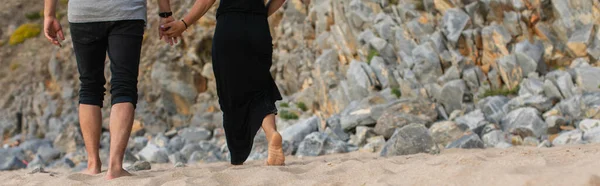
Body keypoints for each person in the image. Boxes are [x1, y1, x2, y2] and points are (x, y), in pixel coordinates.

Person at [159, 0, 288, 165]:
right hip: (258, 26)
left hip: (230, 26)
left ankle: (238, 155)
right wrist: (261, 13)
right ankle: (271, 133)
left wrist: (184, 24)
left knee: (230, 93)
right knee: (261, 86)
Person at [43, 0, 147, 180]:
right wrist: (165, 13)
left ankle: (93, 164)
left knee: (90, 85)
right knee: (124, 85)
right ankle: (115, 166)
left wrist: (49, 15)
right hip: (126, 11)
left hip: (84, 12)